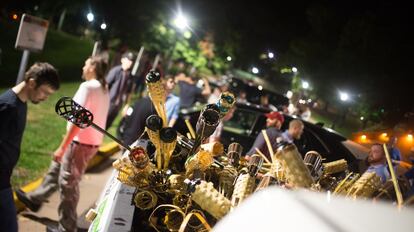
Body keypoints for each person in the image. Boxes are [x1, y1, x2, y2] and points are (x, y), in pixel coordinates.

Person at [16, 56, 109, 232]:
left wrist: (63, 146)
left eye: (86, 63)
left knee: (68, 184)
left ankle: (67, 227)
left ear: (92, 68)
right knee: (58, 169)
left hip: (79, 142)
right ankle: (35, 198)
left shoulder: (87, 86)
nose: (83, 66)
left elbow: (77, 119)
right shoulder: (103, 87)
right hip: (91, 142)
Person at [0, 62, 59, 232]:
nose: (45, 98)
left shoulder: (21, 103)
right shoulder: (7, 106)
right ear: (32, 82)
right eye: (45, 92)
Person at [117, 75, 179, 146]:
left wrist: (121, 137)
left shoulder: (140, 101)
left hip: (126, 138)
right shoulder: (154, 109)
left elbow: (125, 117)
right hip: (135, 143)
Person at [105, 51, 136, 129]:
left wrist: (126, 105)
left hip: (118, 105)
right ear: (122, 60)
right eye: (128, 60)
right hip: (108, 102)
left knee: (107, 125)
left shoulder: (130, 76)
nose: (130, 62)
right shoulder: (115, 71)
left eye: (132, 60)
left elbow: (129, 93)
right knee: (100, 122)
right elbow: (106, 85)